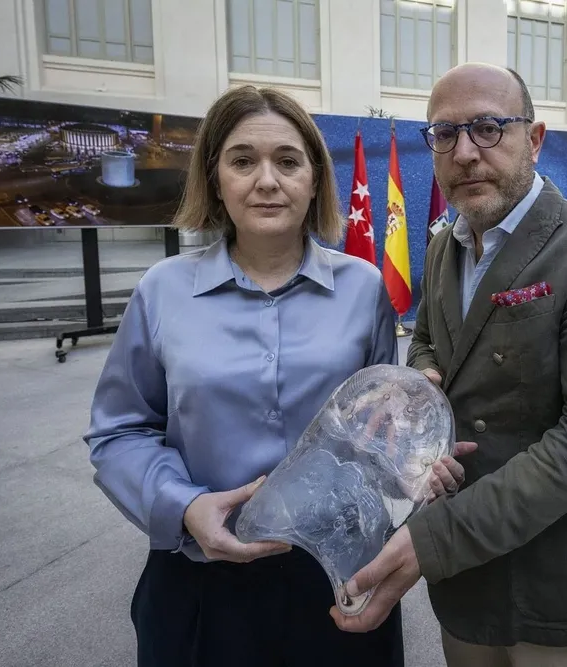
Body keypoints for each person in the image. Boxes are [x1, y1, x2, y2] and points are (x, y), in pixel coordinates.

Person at [83, 85, 470, 667]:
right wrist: (184, 507)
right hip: (200, 586)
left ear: (315, 179)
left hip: (337, 580)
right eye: (243, 161)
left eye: (288, 161)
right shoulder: (162, 291)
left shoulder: (364, 290)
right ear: (215, 178)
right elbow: (120, 432)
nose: (267, 180)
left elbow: (376, 437)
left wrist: (419, 465)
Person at [329, 63, 567, 667]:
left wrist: (433, 541)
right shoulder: (445, 242)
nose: (465, 152)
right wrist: (423, 383)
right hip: (465, 568)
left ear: (534, 139)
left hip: (552, 558)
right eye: (444, 134)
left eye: (487, 127)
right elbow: (426, 338)